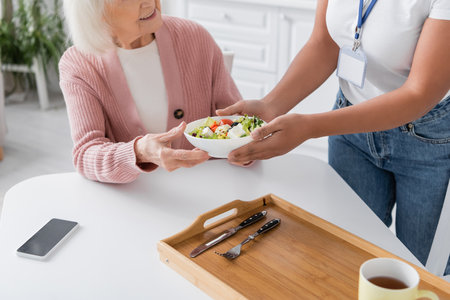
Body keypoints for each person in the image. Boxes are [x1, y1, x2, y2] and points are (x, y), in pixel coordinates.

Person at [218, 0, 450, 273]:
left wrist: (309, 128)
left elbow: (418, 94)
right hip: (349, 127)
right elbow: (324, 44)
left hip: (428, 139)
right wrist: (270, 106)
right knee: (346, 254)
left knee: (420, 271)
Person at [59, 0, 241, 183]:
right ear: (98, 13)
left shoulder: (194, 37)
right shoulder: (78, 65)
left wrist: (245, 149)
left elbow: (238, 123)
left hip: (209, 190)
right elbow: (85, 154)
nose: (149, 2)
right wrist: (139, 152)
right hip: (137, 200)